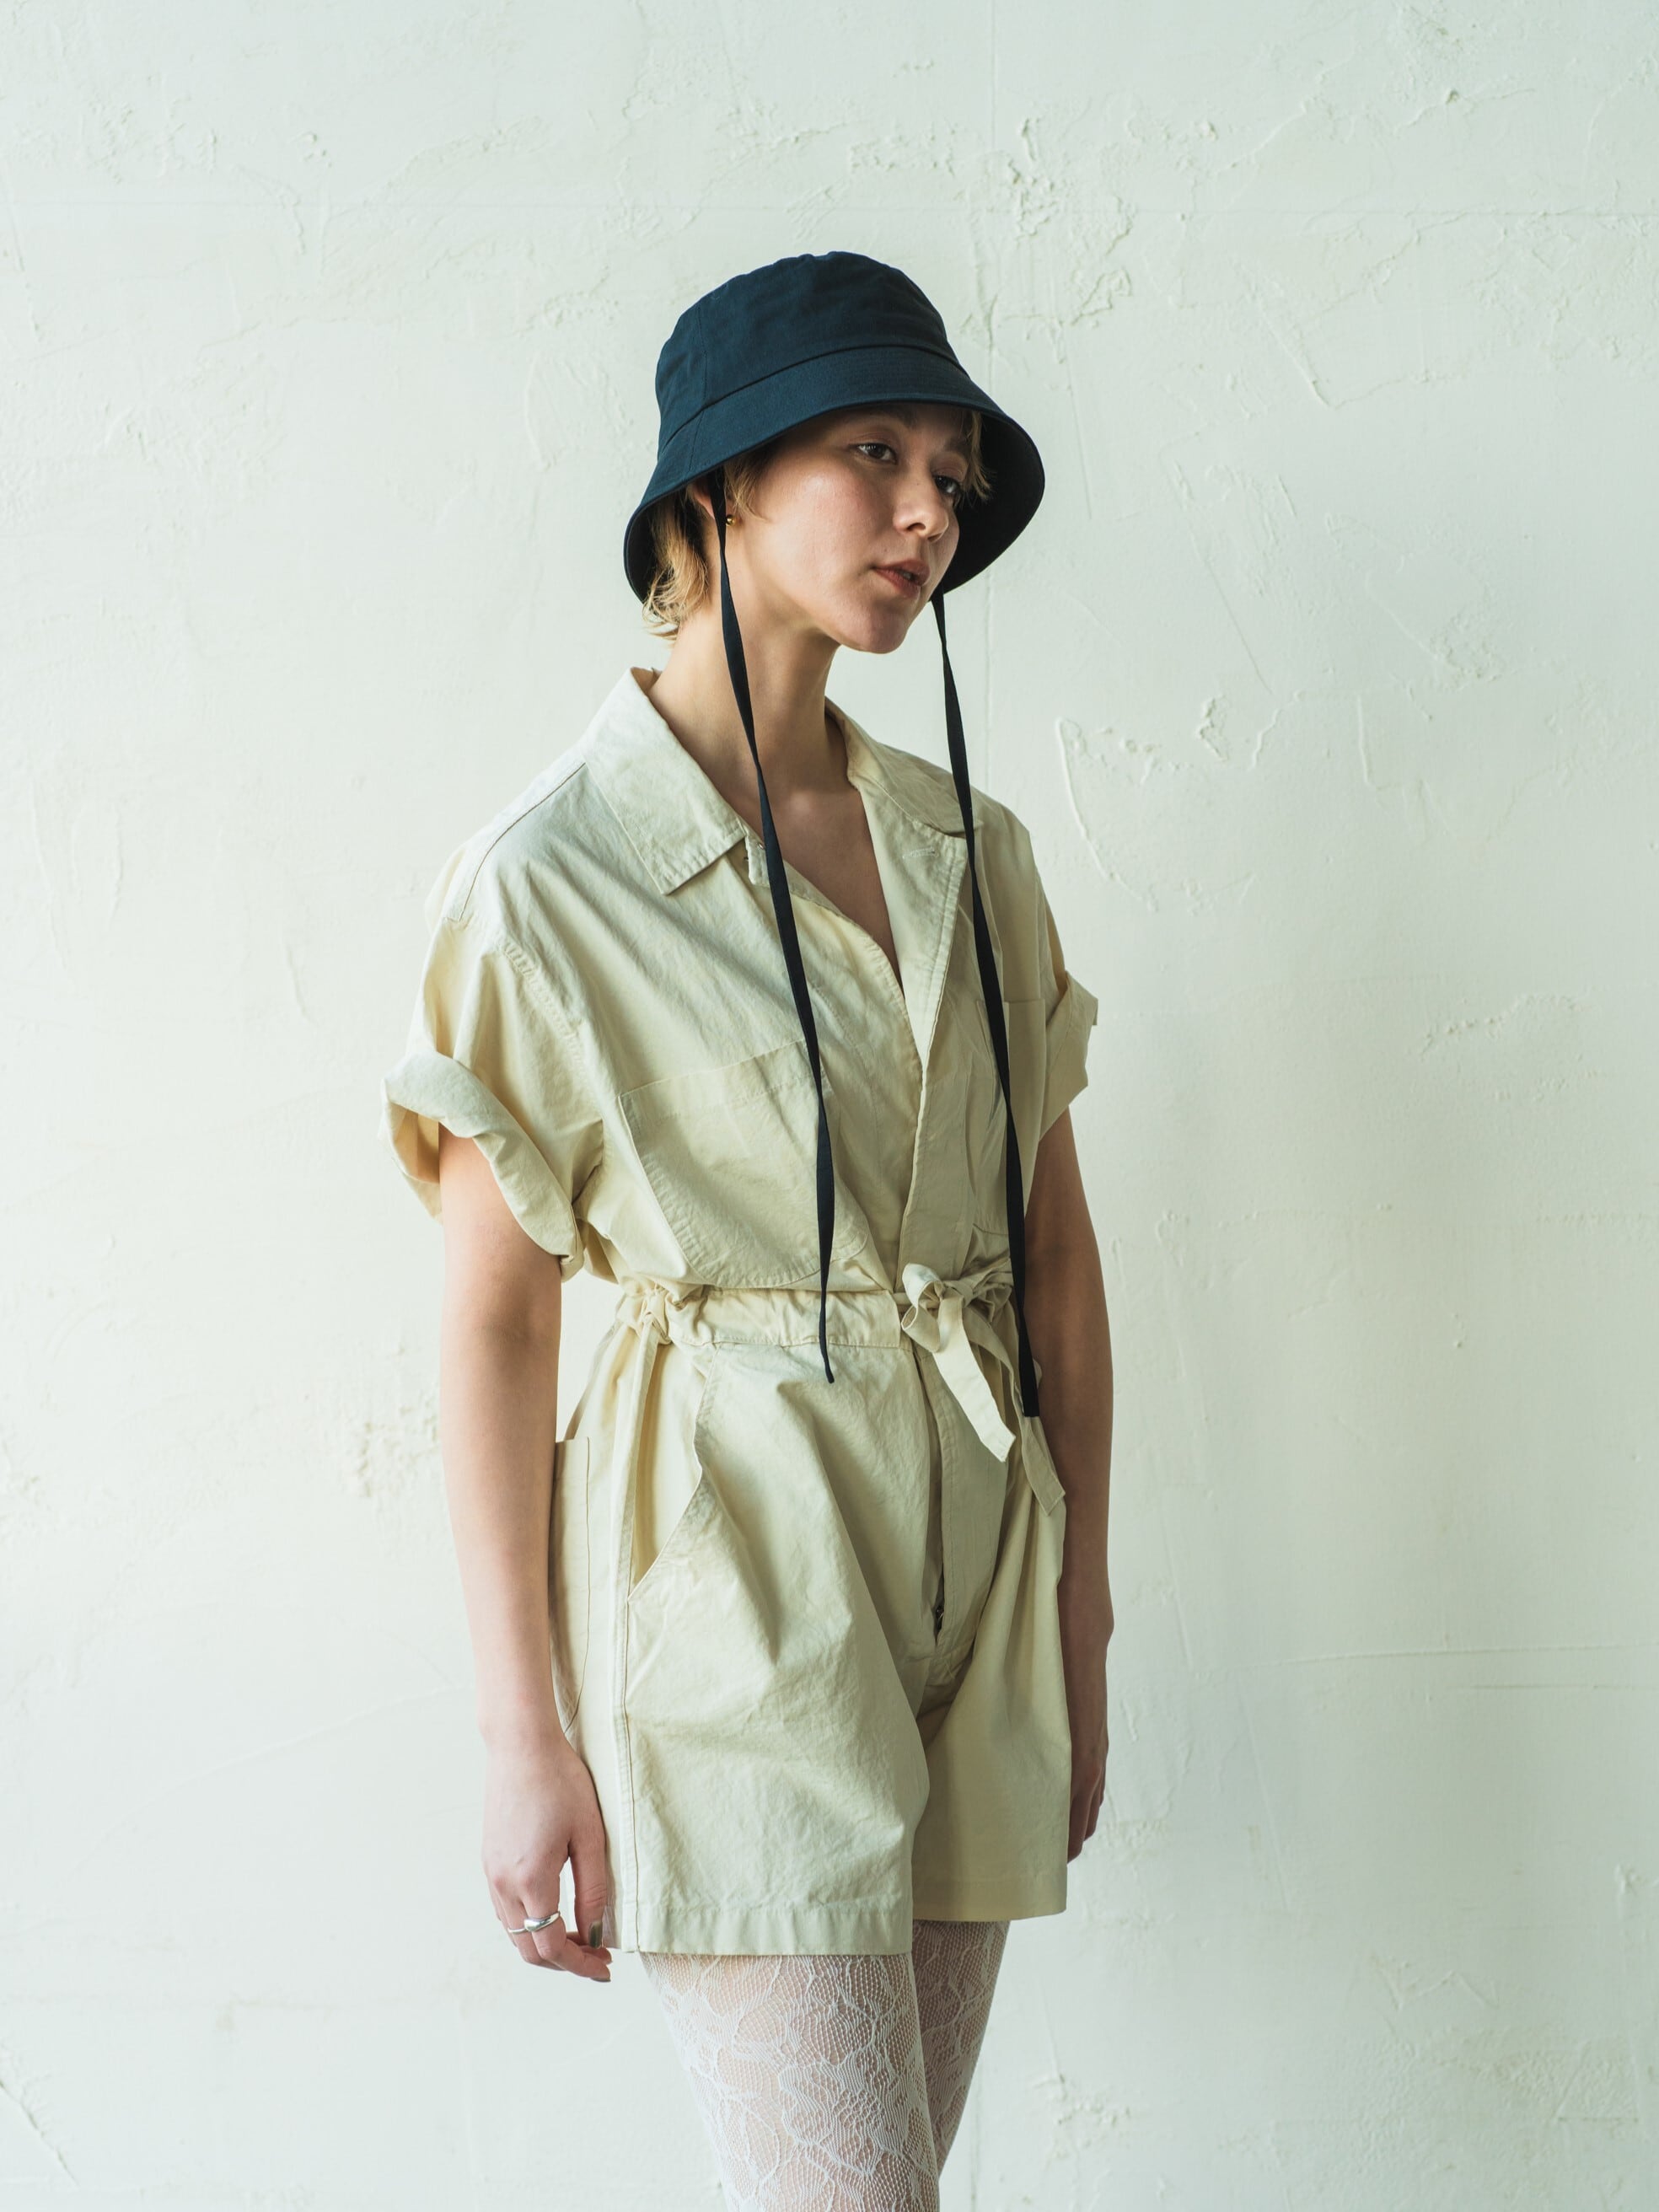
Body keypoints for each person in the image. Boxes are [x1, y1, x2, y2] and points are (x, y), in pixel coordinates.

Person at [380, 250, 1115, 2208]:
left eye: (950, 473)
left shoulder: (973, 849)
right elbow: (493, 1324)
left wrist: (1084, 1602)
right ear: (713, 488)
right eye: (875, 452)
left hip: (983, 1558)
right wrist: (519, 1731)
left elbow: (1053, 1250)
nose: (926, 512)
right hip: (731, 1567)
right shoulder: (548, 881)